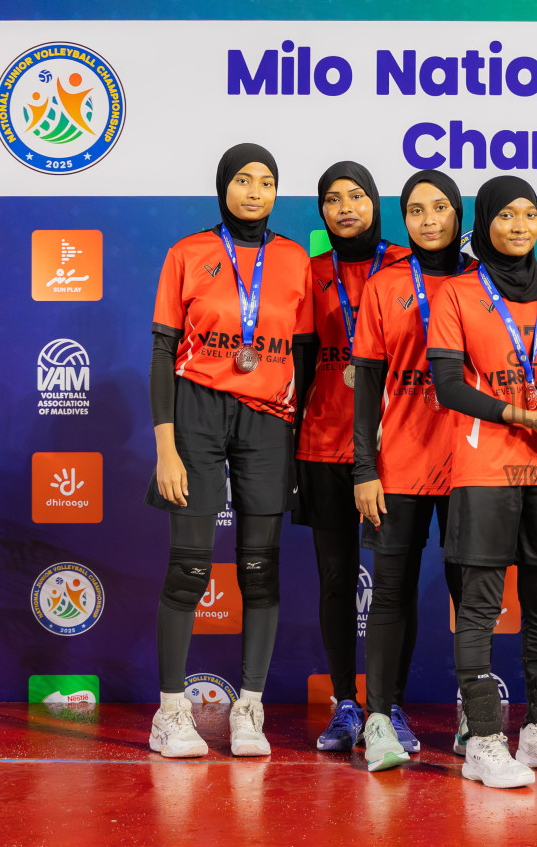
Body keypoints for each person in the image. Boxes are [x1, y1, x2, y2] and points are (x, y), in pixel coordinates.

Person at [146, 143, 313, 758]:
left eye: (266, 182)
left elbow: (305, 356)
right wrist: (166, 447)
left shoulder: (296, 260)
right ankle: (170, 712)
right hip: (196, 412)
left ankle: (249, 708)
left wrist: (297, 435)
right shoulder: (188, 253)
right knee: (189, 567)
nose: (254, 192)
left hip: (269, 420)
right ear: (223, 188)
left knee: (259, 570)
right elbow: (163, 352)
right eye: (243, 180)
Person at [426, 175, 537, 788]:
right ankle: (486, 741)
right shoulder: (457, 294)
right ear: (484, 222)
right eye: (506, 216)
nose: (519, 226)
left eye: (529, 215)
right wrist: (519, 414)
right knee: (482, 608)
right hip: (485, 468)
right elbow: (447, 386)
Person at [349, 170, 473, 771]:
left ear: (458, 214)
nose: (428, 220)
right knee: (391, 595)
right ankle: (379, 719)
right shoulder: (385, 285)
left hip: (474, 465)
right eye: (416, 210)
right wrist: (363, 468)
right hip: (399, 465)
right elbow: (367, 386)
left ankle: (474, 719)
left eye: (440, 208)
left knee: (468, 595)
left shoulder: (485, 283)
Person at [295, 162, 408, 757]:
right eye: (332, 199)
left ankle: (390, 708)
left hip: (395, 450)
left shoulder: (404, 265)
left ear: (376, 203)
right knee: (337, 579)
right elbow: (297, 365)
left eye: (357, 196)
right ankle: (346, 703)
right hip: (322, 447)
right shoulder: (310, 273)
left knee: (393, 584)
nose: (345, 208)